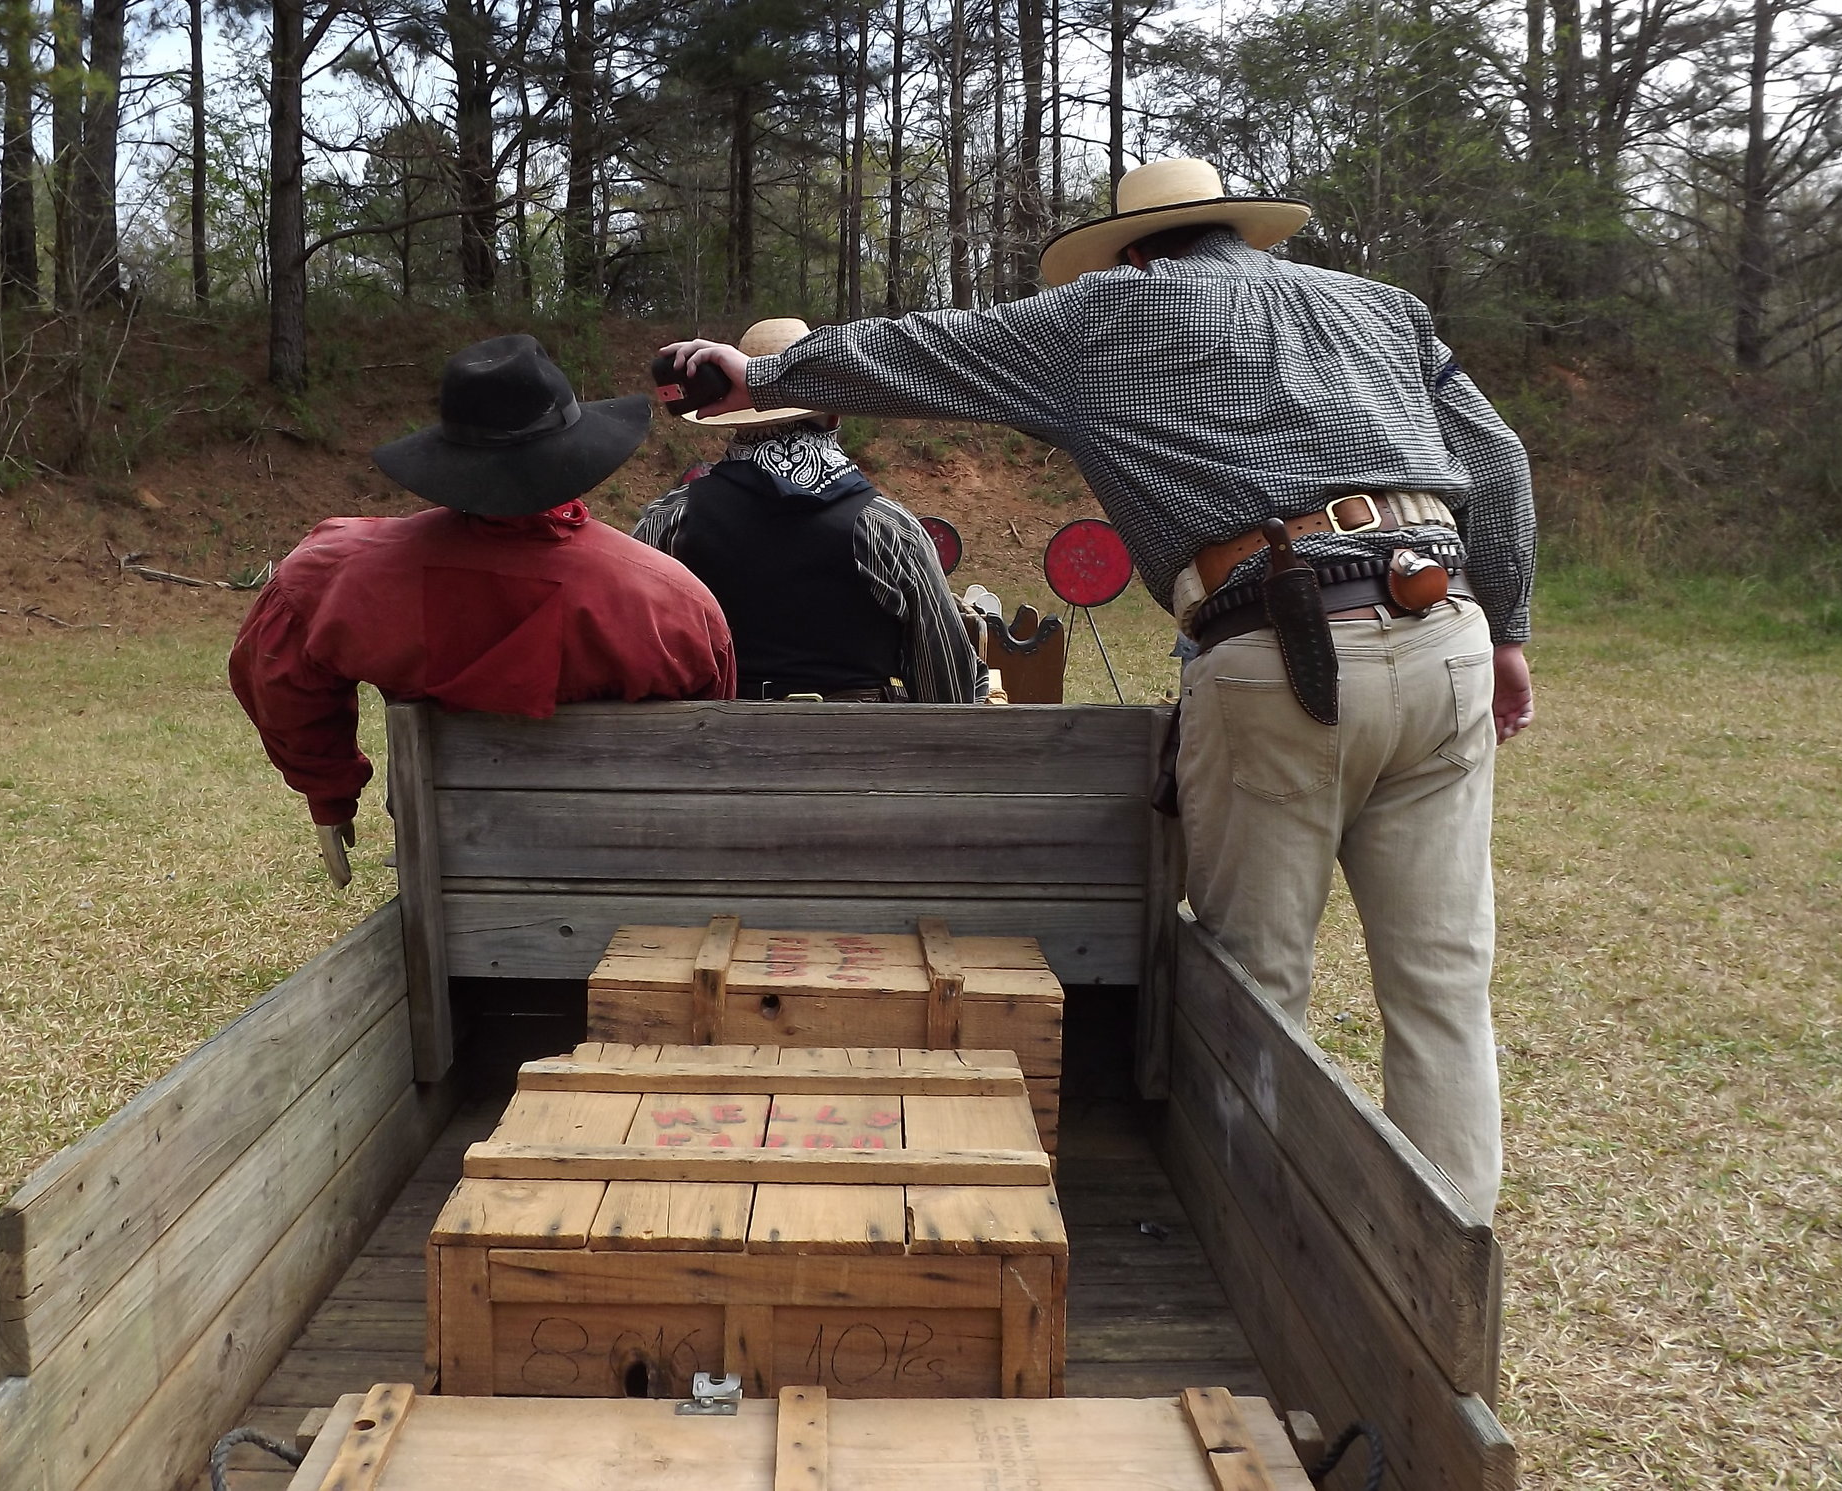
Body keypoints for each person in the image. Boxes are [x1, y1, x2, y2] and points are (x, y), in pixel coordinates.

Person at [660, 158, 1535, 1214]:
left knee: (1255, 981)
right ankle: (1451, 1255)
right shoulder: (1383, 309)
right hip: (1442, 623)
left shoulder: (1105, 316)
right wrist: (1508, 635)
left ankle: (1248, 1237)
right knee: (1442, 987)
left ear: (1133, 249)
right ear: (1238, 233)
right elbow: (1495, 460)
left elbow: (928, 347)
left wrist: (758, 377)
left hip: (1276, 643)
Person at [230, 334, 736, 883]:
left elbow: (277, 674)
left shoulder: (332, 574)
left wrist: (330, 792)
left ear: (452, 458)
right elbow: (709, 742)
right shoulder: (675, 602)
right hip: (630, 864)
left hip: (449, 867)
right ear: (577, 450)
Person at [632, 317, 985, 704]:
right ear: (834, 415)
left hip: (715, 754)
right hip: (859, 757)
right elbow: (950, 692)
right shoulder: (887, 529)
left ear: (730, 414)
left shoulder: (668, 522)